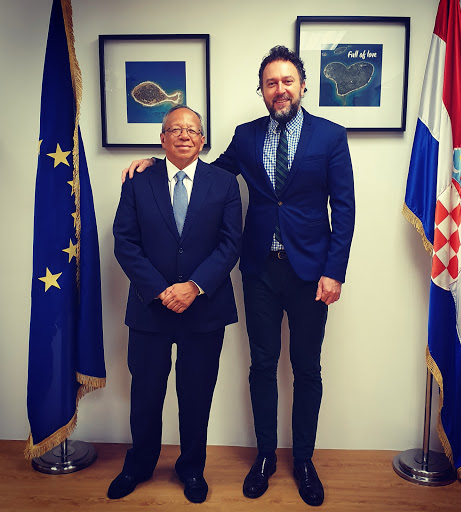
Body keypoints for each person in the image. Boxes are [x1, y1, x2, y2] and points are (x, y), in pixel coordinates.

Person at [122, 45, 355, 507]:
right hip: (259, 270)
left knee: (307, 368)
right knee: (262, 365)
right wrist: (154, 161)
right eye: (271, 83)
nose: (280, 89)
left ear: (302, 86)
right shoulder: (246, 137)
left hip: (312, 274)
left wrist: (334, 271)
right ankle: (265, 457)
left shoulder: (330, 136)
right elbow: (204, 173)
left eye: (287, 81)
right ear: (262, 91)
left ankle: (303, 461)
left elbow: (344, 208)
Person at [109, 105, 242, 503]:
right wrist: (160, 289)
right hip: (150, 308)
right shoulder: (138, 181)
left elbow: (230, 243)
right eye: (176, 129)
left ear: (202, 140)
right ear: (162, 138)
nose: (185, 135)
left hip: (204, 308)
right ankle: (138, 465)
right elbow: (125, 241)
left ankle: (192, 469)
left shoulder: (224, 183)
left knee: (196, 394)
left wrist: (194, 286)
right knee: (146, 394)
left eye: (192, 130)